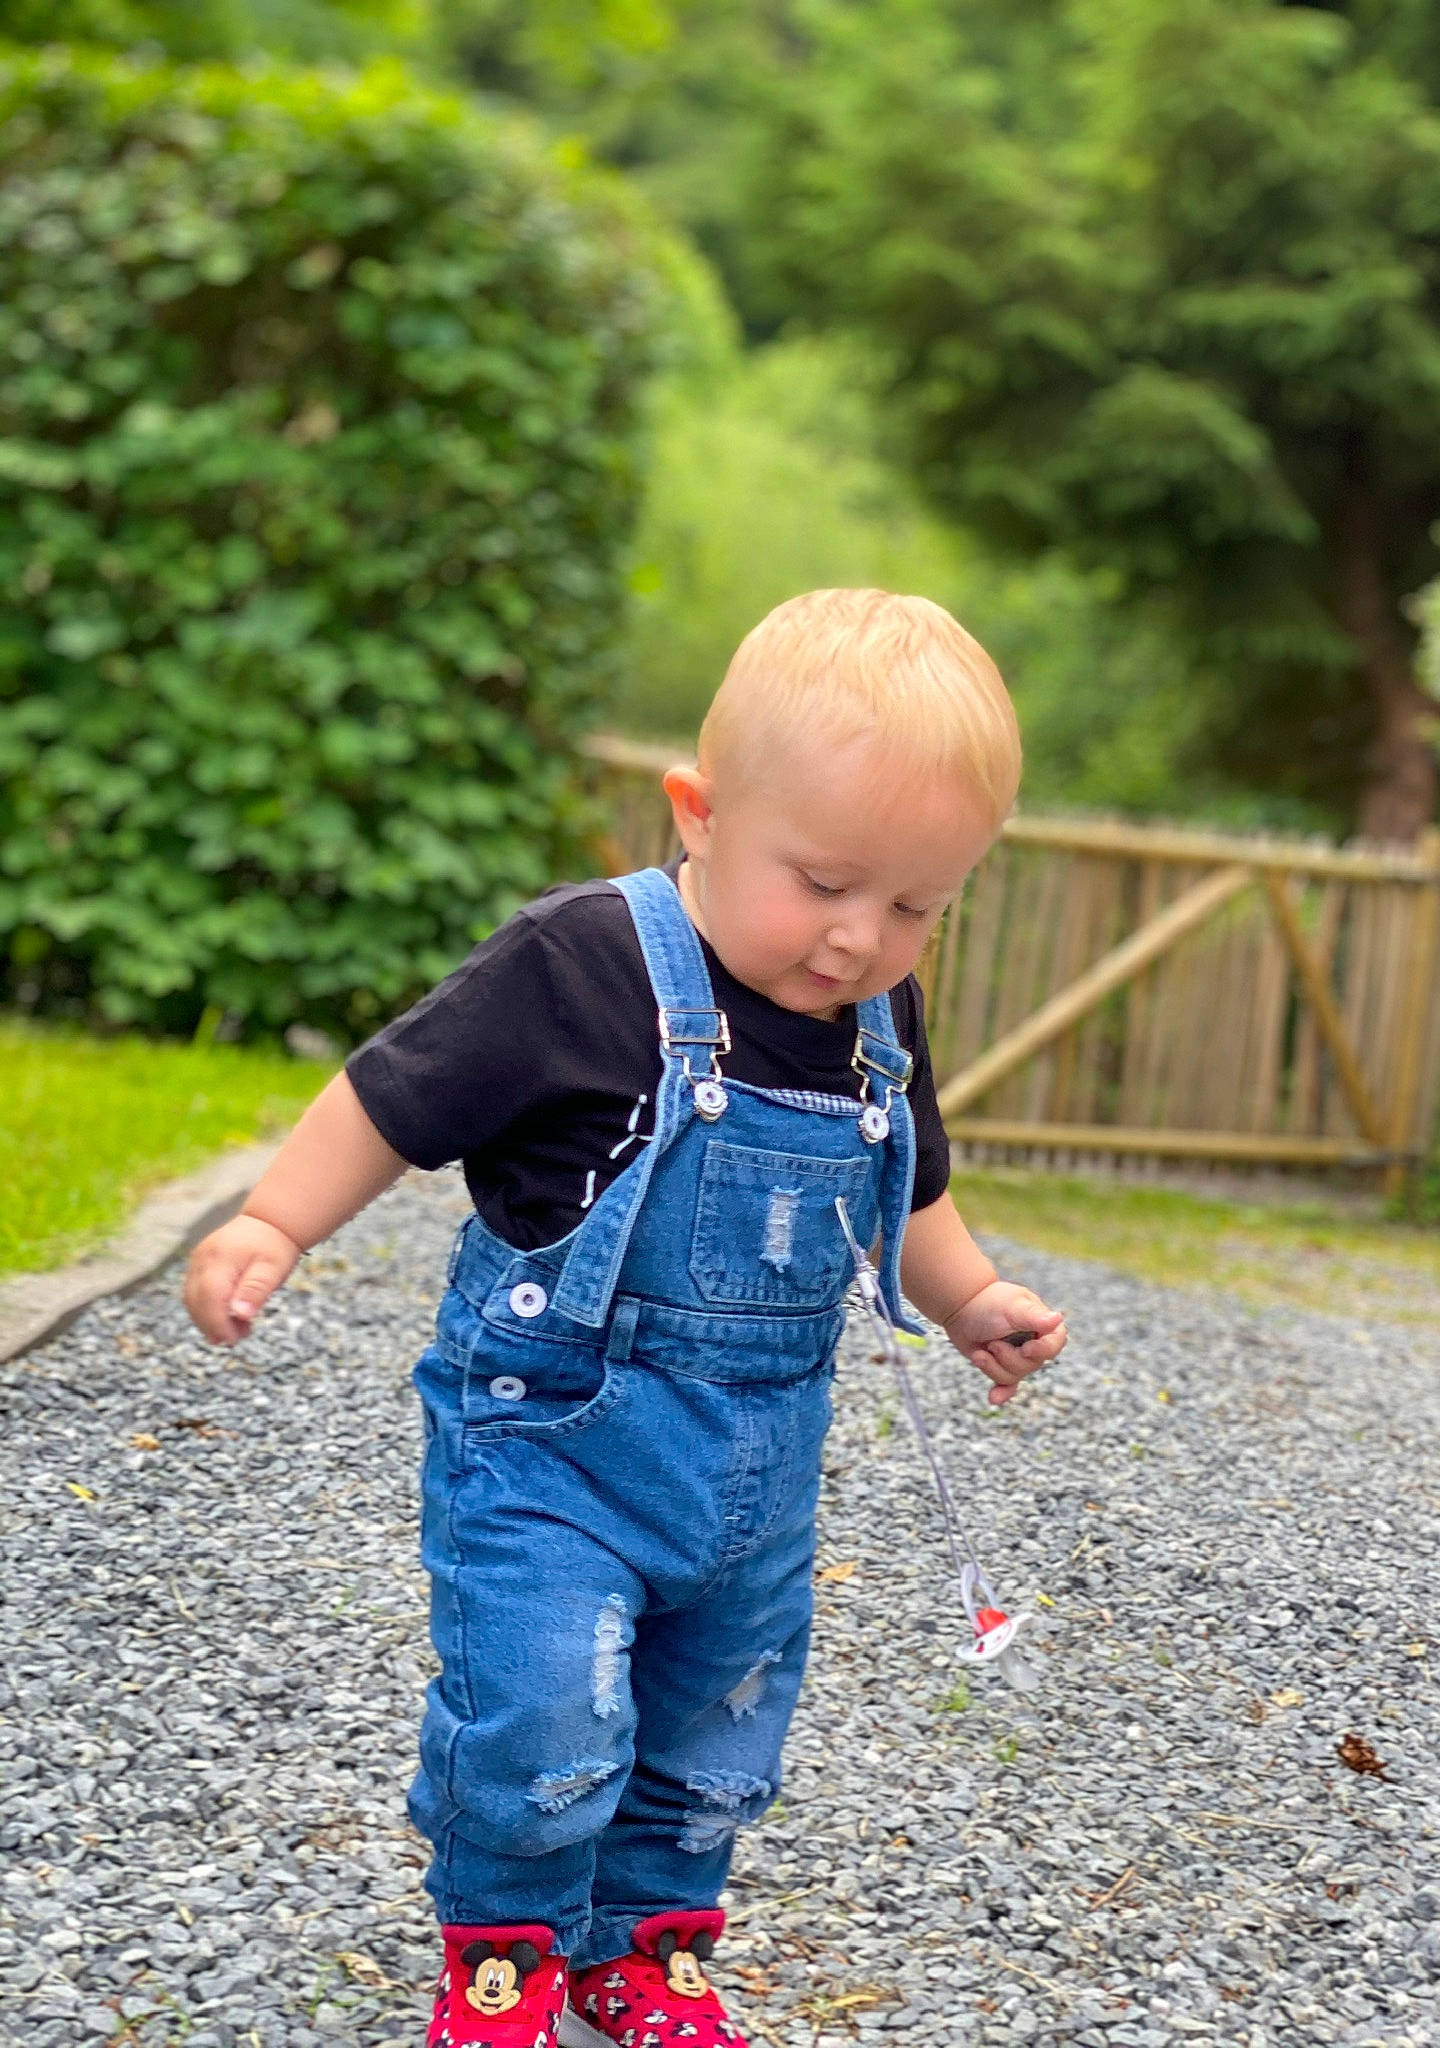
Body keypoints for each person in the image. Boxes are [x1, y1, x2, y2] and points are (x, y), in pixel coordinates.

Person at [184, 588, 1068, 2048]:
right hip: (550, 1449)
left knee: (715, 1730)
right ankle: (505, 1957)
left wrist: (971, 1295)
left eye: (918, 906)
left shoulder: (878, 1025)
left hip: (754, 1476)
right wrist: (275, 1220)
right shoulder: (580, 964)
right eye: (828, 882)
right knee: (542, 1716)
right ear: (700, 812)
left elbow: (906, 1189)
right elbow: (392, 1098)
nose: (860, 940)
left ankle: (647, 1948)